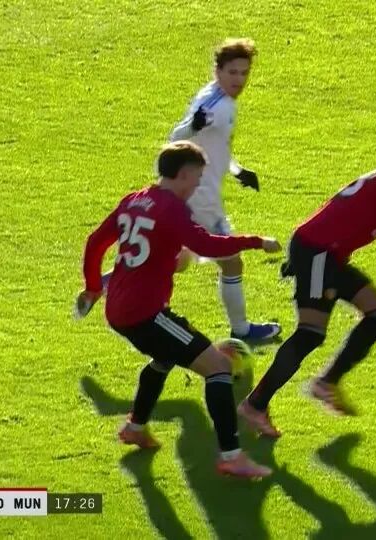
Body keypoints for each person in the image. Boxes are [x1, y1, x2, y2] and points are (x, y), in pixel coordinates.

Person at [75, 141, 279, 478]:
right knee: (218, 367)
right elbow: (205, 244)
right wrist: (256, 241)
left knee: (165, 357)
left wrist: (94, 286)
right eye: (197, 177)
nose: (198, 185)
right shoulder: (171, 208)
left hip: (119, 310)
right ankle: (231, 456)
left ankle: (136, 428)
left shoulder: (133, 200)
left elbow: (95, 242)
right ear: (183, 174)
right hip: (145, 314)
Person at [237, 153, 376, 437]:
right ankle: (255, 405)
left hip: (326, 255)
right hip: (319, 253)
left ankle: (327, 382)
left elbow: (337, 207)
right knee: (310, 334)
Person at [106, 37, 280, 344]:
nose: (239, 80)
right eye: (232, 72)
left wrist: (237, 170)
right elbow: (178, 136)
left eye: (244, 73)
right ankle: (242, 331)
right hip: (198, 198)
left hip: (198, 192)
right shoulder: (213, 104)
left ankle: (106, 283)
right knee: (231, 260)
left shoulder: (217, 96)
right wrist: (194, 126)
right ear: (218, 70)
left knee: (178, 260)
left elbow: (215, 145)